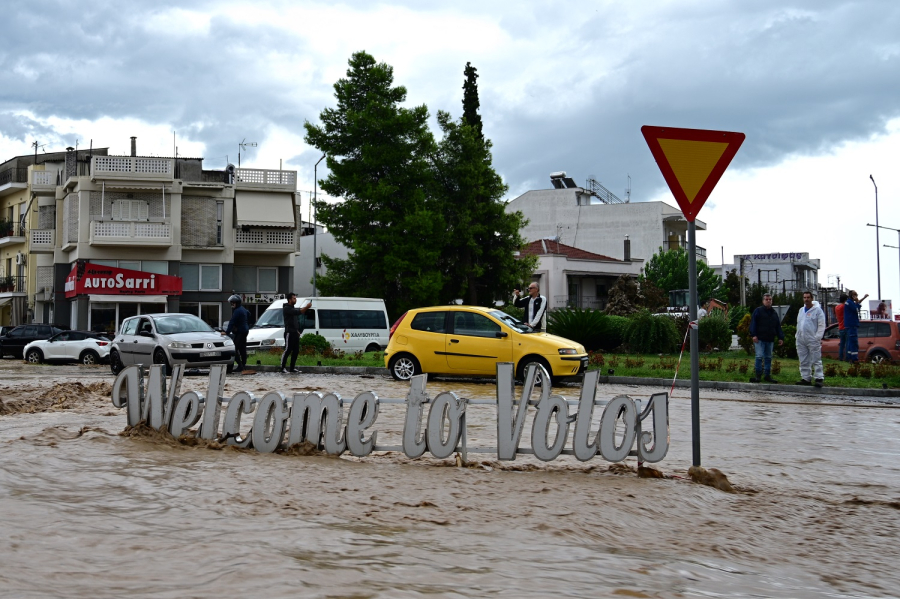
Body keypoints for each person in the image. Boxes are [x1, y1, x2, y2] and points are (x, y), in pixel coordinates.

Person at [748, 293, 784, 383]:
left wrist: (780, 337)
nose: (768, 301)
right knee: (759, 357)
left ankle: (767, 375)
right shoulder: (758, 311)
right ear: (763, 301)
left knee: (768, 357)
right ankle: (758, 375)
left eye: (770, 299)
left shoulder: (774, 313)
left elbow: (777, 326)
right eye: (766, 299)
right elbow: (753, 323)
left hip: (770, 338)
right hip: (759, 338)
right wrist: (753, 335)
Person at [795, 291, 826, 387]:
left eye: (808, 297)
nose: (806, 299)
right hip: (801, 338)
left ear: (812, 298)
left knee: (816, 359)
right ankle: (805, 378)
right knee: (803, 359)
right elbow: (799, 323)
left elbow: (821, 325)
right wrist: (797, 335)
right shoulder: (801, 310)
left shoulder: (817, 311)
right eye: (804, 297)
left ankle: (819, 378)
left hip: (812, 338)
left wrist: (817, 337)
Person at [281, 293, 310, 373]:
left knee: (296, 350)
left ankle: (292, 368)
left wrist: (297, 330)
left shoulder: (292, 308)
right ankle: (283, 367)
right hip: (289, 332)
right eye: (294, 298)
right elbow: (298, 312)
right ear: (290, 299)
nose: (295, 299)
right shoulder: (287, 308)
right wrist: (307, 307)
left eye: (295, 298)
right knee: (288, 350)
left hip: (294, 332)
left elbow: (295, 320)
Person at [224, 294, 250, 372]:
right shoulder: (243, 309)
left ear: (237, 303)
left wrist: (227, 332)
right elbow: (249, 314)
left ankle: (240, 365)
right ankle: (243, 365)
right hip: (245, 330)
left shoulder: (237, 311)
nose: (232, 304)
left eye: (233, 303)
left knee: (234, 349)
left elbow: (232, 322)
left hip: (240, 332)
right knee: (242, 349)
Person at [844, 290, 868, 363]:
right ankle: (854, 358)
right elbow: (856, 309)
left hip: (849, 324)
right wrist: (859, 303)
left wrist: (863, 298)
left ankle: (849, 357)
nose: (856, 297)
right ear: (852, 296)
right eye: (855, 295)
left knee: (850, 342)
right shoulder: (850, 303)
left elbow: (856, 304)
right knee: (854, 342)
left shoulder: (849, 302)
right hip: (852, 324)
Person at [834, 293, 847, 361]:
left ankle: (841, 357)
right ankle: (847, 358)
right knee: (847, 344)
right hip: (845, 327)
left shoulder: (837, 307)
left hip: (840, 327)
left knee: (842, 344)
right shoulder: (844, 306)